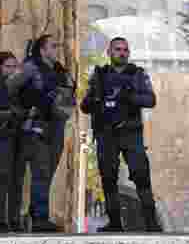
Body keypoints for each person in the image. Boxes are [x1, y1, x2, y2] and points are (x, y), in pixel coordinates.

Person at [81, 36, 162, 232]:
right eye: (117, 49)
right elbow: (85, 105)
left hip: (130, 133)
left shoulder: (137, 74)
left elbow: (151, 100)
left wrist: (129, 97)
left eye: (125, 50)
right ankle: (115, 223)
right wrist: (96, 101)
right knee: (108, 178)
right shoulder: (99, 75)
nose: (122, 53)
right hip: (106, 134)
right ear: (109, 52)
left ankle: (151, 222)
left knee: (141, 175)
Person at [8, 33, 75, 232]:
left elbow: (69, 94)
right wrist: (21, 112)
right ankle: (39, 218)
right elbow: (8, 88)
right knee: (41, 172)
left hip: (56, 127)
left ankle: (35, 212)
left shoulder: (60, 70)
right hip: (36, 127)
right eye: (53, 46)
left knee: (49, 172)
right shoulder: (30, 67)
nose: (57, 50)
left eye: (57, 46)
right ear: (42, 49)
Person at [0, 51, 23, 233]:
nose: (12, 70)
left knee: (17, 179)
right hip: (2, 136)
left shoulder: (20, 86)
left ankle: (15, 218)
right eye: (8, 66)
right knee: (3, 177)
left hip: (19, 135)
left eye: (15, 67)